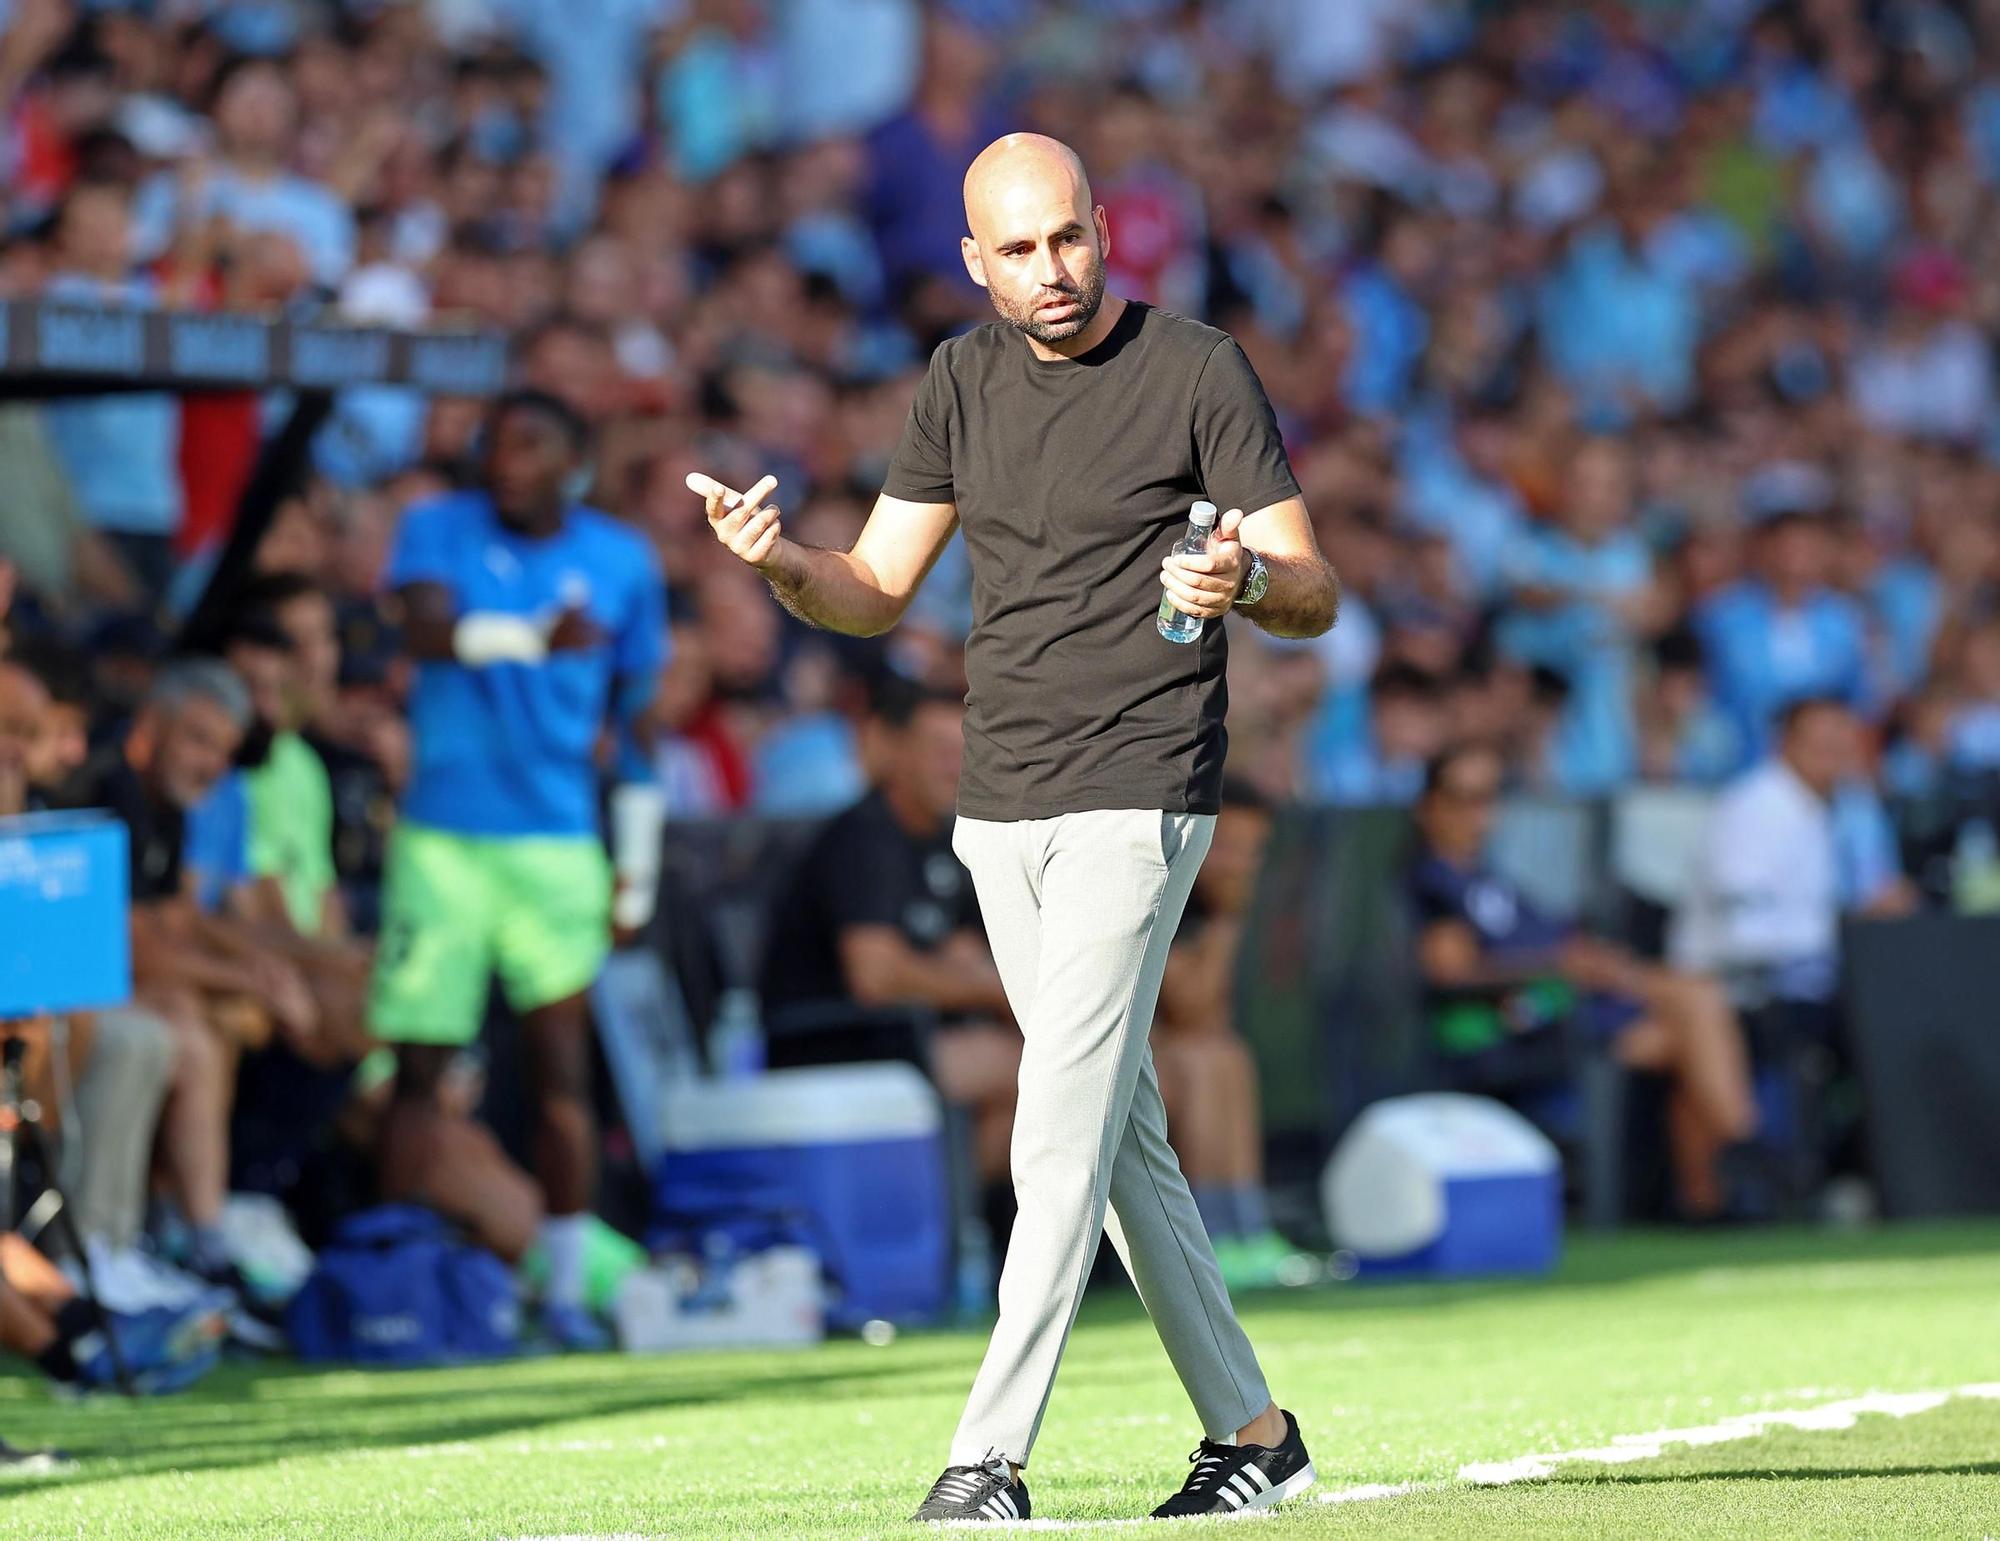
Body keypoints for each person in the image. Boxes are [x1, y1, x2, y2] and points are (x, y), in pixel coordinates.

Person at [695, 133, 1339, 1523]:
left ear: (1104, 228)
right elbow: (871, 587)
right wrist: (779, 563)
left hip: (1146, 783)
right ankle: (1256, 1431)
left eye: (1069, 238)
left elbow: (1316, 586)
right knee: (1116, 1141)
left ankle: (987, 1459)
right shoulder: (957, 381)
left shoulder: (1195, 366)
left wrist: (1245, 581)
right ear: (974, 264)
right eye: (1020, 251)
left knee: (1054, 1134)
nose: (1053, 271)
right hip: (1000, 806)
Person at [371, 388, 667, 1351]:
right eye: (495, 445)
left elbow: (636, 726)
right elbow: (417, 631)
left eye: (531, 446)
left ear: (575, 459)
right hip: (442, 838)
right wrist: (527, 638)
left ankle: (569, 1289)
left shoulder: (622, 561)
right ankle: (395, 1276)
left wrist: (639, 869)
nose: (507, 462)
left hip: (556, 845)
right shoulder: (434, 527)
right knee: (417, 1069)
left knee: (560, 1073)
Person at [1410, 742, 1758, 1219]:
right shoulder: (1432, 882)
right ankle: (1744, 1145)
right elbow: (1452, 971)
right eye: (1464, 798)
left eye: (1489, 797)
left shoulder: (1490, 878)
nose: (1479, 814)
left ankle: (1706, 1202)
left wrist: (1584, 960)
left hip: (1572, 1002)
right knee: (1695, 1001)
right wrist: (1561, 965)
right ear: (1430, 806)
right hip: (1529, 1021)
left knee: (1684, 1035)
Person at [761, 677, 1020, 1188]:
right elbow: (876, 978)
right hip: (833, 1044)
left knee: (1055, 1096)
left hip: (913, 1038)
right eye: (939, 750)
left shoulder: (949, 841)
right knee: (1048, 1077)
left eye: (966, 751)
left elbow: (963, 955)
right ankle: (923, 1208)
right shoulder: (865, 837)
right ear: (895, 751)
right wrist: (997, 992)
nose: (955, 766)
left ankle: (936, 1214)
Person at [1152, 781, 1302, 1291]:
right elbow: (1191, 1010)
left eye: (1251, 852)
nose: (1239, 864)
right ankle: (1211, 1238)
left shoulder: (1206, 906)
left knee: (1225, 1055)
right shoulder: (1156, 888)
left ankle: (1247, 1232)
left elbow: (1206, 1023)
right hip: (1113, 1057)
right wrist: (1229, 919)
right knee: (1204, 1059)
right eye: (1227, 847)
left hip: (1167, 1054)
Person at [1671, 697, 1917, 1006]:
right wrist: (1847, 926)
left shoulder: (1835, 808)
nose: (1833, 754)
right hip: (1730, 992)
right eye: (1820, 744)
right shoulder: (1753, 808)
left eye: (1840, 743)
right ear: (1784, 743)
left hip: (1807, 987)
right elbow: (1743, 930)